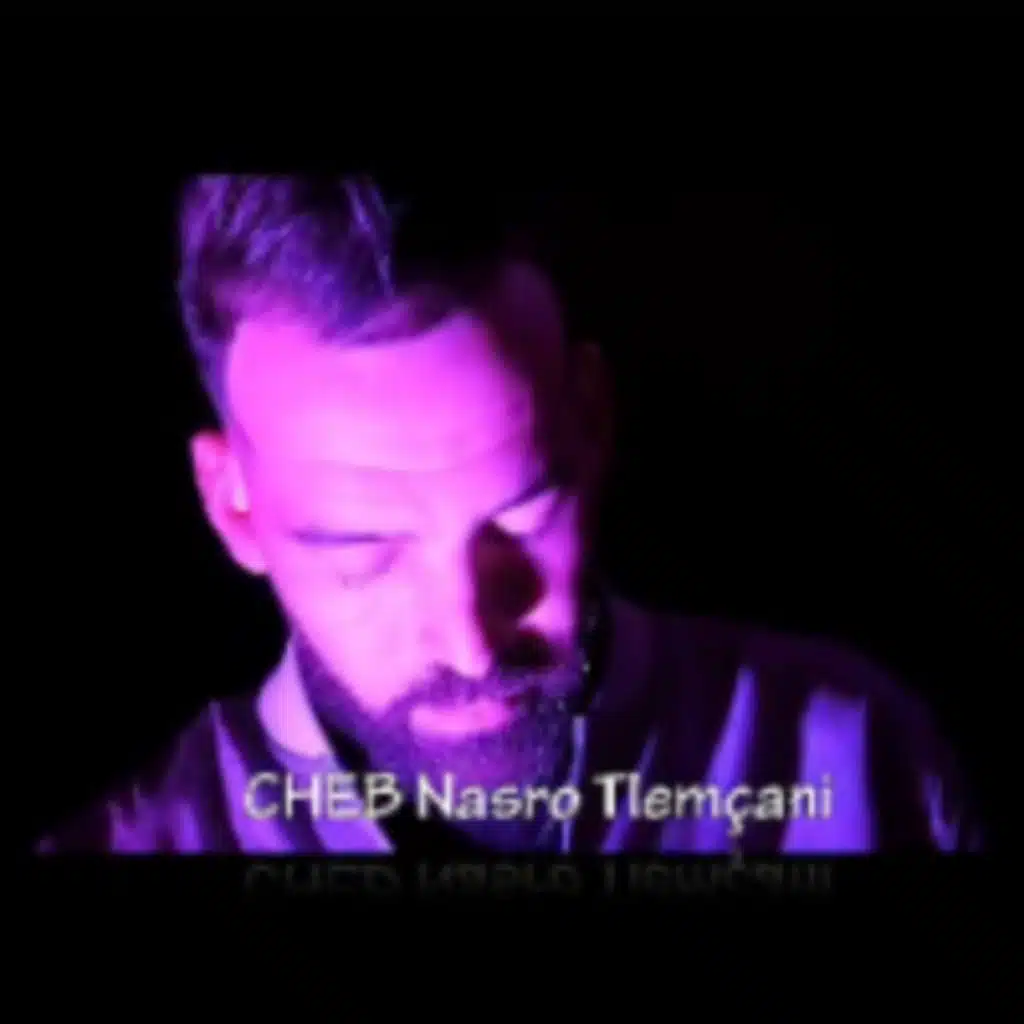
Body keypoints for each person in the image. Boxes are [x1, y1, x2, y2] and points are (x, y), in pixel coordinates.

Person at [37, 175, 980, 854]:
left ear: (594, 421)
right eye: (364, 558)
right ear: (232, 509)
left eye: (526, 519)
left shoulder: (864, 771)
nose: (471, 644)